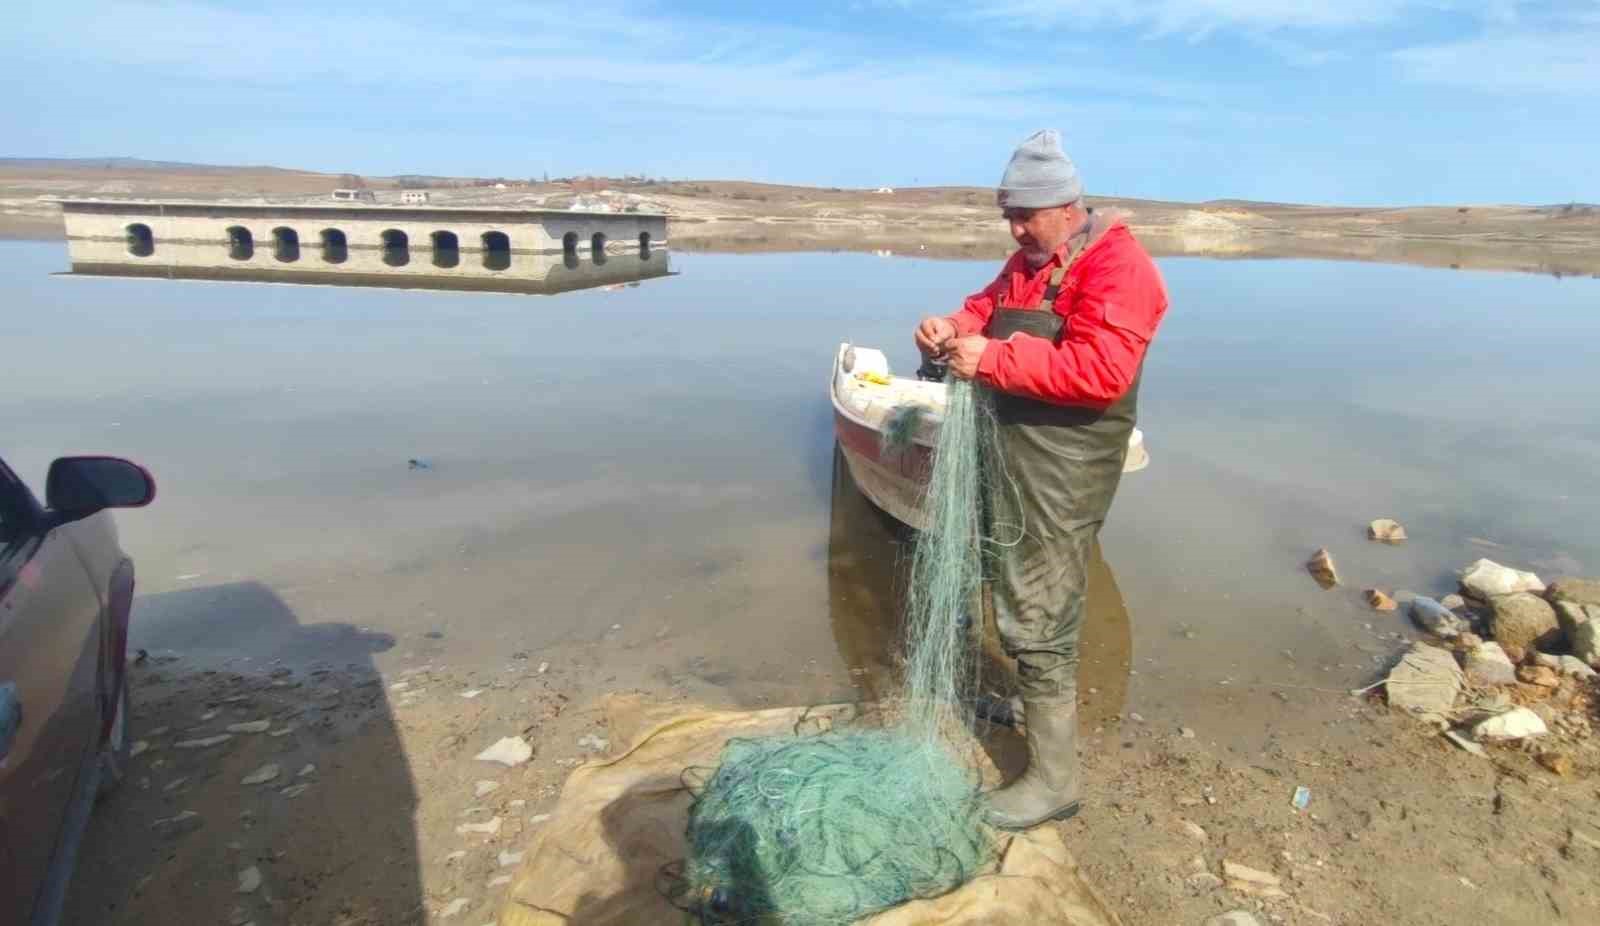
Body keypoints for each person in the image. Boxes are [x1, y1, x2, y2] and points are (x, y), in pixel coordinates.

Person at [914, 129, 1168, 830]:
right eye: (1008, 216)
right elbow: (986, 306)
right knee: (1013, 582)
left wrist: (991, 361)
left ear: (1066, 205)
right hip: (1014, 456)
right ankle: (1028, 704)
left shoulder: (1121, 269)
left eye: (1025, 215)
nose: (1015, 228)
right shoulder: (1031, 258)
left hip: (1064, 471)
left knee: (1040, 611)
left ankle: (1054, 779)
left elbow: (1101, 372)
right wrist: (948, 328)